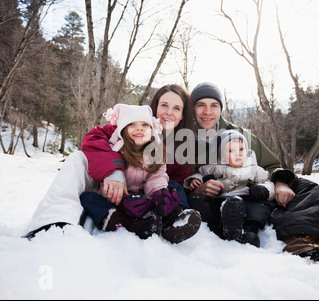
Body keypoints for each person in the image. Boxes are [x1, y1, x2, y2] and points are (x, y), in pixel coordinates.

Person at [187, 82, 319, 263]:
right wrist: (198, 188)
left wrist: (280, 183)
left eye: (214, 105)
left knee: (305, 186)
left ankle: (300, 242)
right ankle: (231, 230)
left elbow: (271, 165)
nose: (207, 111)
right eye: (200, 105)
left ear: (221, 108)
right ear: (192, 108)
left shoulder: (242, 135)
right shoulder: (184, 138)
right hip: (218, 200)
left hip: (254, 196)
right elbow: (179, 178)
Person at [24, 84, 197, 240]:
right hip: (113, 191)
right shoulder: (130, 124)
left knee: (172, 187)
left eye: (176, 108)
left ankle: (175, 221)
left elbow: (174, 182)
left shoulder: (182, 146)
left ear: (182, 115)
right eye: (164, 105)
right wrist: (114, 171)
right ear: (154, 108)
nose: (169, 112)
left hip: (149, 197)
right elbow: (93, 139)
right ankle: (54, 220)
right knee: (77, 158)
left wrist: (162, 196)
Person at [79, 104, 201, 243]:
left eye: (144, 124)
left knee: (172, 188)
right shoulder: (115, 151)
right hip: (118, 199)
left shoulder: (156, 152)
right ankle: (119, 221)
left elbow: (156, 176)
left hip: (143, 196)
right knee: (88, 198)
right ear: (123, 130)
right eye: (132, 124)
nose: (139, 128)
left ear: (152, 130)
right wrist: (123, 201)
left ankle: (173, 218)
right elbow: (107, 184)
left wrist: (158, 192)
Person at [183, 129, 276, 247]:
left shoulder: (254, 169)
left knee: (260, 207)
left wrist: (263, 190)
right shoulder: (214, 167)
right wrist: (194, 180)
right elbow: (201, 173)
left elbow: (268, 182)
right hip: (222, 200)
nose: (238, 153)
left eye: (241, 149)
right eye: (231, 150)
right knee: (197, 199)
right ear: (221, 155)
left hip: (247, 198)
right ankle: (222, 229)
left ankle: (250, 231)